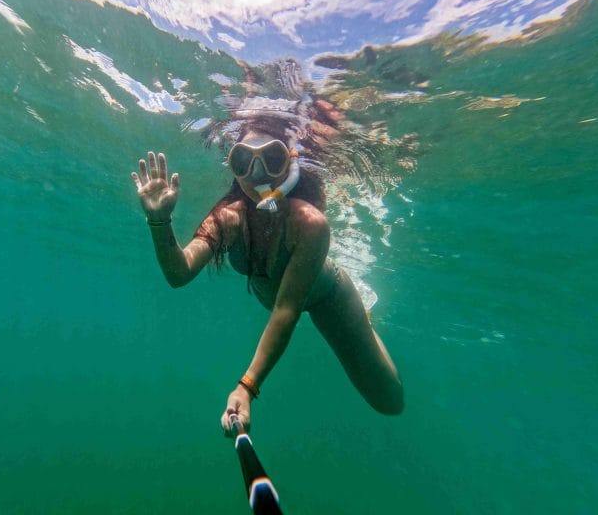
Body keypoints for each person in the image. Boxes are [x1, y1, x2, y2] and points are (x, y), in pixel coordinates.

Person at [131, 100, 404, 437]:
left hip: (326, 295)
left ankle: (363, 312)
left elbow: (286, 310)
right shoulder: (228, 220)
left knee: (390, 401)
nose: (257, 174)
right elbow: (179, 273)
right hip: (287, 300)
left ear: (289, 162)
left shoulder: (310, 224)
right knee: (388, 403)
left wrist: (247, 386)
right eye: (244, 161)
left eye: (271, 159)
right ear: (234, 167)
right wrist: (159, 221)